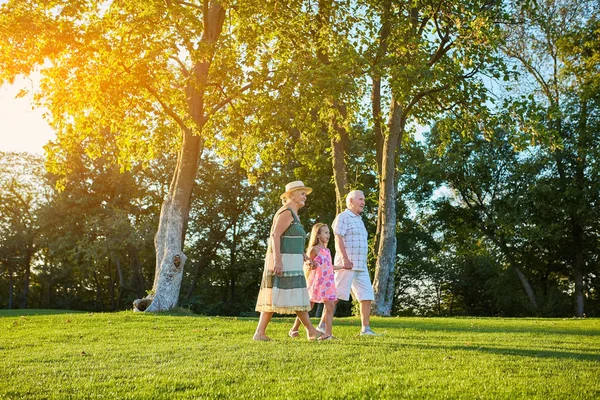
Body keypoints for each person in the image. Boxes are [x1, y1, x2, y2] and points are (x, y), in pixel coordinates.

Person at [253, 181, 325, 341]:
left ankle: (260, 333)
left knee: (281, 293)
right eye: (302, 193)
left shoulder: (295, 215)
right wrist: (278, 260)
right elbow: (274, 235)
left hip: (292, 260)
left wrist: (305, 257)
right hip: (283, 260)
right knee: (296, 293)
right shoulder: (286, 212)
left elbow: (293, 240)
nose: (305, 197)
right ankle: (311, 331)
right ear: (292, 195)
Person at [318, 190, 379, 336]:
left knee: (366, 296)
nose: (363, 202)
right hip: (346, 264)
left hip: (361, 265)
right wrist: (345, 259)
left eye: (364, 200)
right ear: (351, 201)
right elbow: (338, 238)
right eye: (360, 199)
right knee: (335, 296)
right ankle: (322, 326)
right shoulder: (343, 217)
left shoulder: (359, 219)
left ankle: (366, 329)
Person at [288, 223, 337, 340]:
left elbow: (329, 266)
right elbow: (307, 263)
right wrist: (310, 264)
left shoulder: (328, 251)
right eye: (325, 232)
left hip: (328, 283)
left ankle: (327, 334)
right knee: (308, 306)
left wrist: (344, 267)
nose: (328, 235)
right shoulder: (314, 249)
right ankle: (294, 329)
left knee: (330, 306)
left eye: (329, 233)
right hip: (316, 283)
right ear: (318, 235)